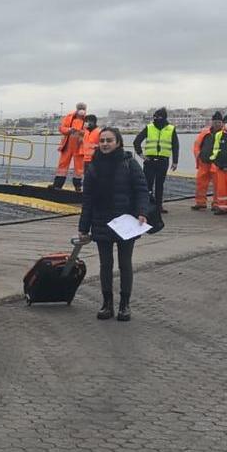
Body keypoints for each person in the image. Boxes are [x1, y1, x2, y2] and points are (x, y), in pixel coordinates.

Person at [78, 127, 149, 322]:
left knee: (125, 264)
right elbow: (88, 199)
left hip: (126, 221)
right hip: (102, 221)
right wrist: (84, 227)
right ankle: (107, 303)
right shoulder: (93, 166)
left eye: (109, 140)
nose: (105, 144)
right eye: (102, 141)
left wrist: (142, 212)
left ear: (118, 142)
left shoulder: (129, 163)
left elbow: (142, 190)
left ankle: (124, 304)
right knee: (105, 264)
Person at [133, 107, 179, 213]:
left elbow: (175, 145)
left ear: (164, 118)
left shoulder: (171, 129)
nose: (156, 119)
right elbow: (137, 141)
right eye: (155, 117)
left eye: (158, 117)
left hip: (163, 160)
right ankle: (147, 206)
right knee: (147, 185)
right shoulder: (149, 127)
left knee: (160, 185)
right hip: (150, 161)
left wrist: (175, 161)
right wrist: (141, 155)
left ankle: (158, 206)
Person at [191, 112, 223, 210]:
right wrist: (198, 156)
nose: (217, 124)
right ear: (212, 122)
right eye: (215, 122)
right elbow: (196, 145)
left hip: (217, 164)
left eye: (219, 122)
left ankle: (217, 204)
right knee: (201, 184)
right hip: (204, 162)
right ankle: (200, 203)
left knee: (218, 185)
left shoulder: (224, 134)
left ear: (221, 123)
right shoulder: (205, 133)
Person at [53, 102, 89, 191]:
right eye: (80, 108)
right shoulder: (69, 117)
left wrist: (82, 134)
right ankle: (58, 185)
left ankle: (77, 186)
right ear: (76, 109)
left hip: (79, 146)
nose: (81, 110)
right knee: (62, 165)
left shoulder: (87, 120)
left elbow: (89, 132)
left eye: (83, 108)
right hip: (67, 145)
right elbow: (62, 128)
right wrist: (69, 130)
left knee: (79, 168)